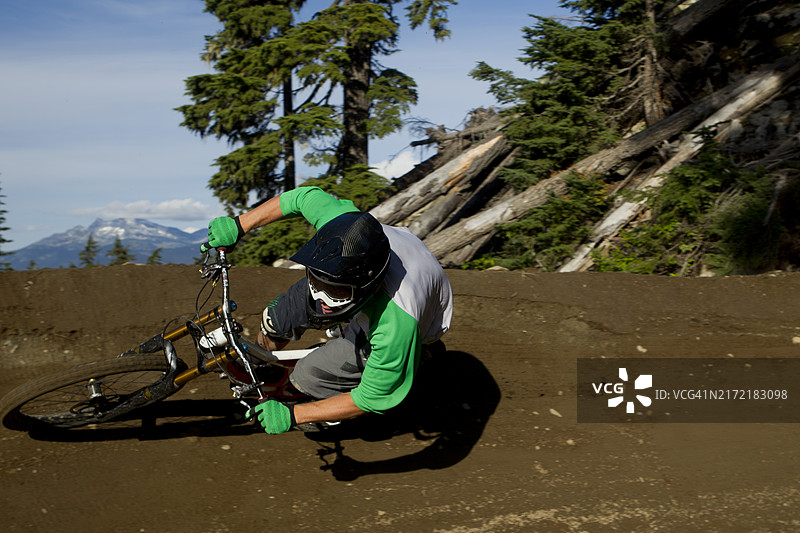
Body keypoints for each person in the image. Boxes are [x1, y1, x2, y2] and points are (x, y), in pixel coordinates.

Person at [201, 186, 453, 434]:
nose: (320, 298)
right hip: (345, 272)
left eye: (336, 292)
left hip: (412, 318)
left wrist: (294, 415)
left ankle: (420, 359)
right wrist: (239, 224)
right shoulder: (342, 226)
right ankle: (262, 367)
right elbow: (300, 197)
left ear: (367, 287)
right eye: (316, 282)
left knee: (308, 376)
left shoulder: (396, 325)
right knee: (278, 319)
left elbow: (370, 398)